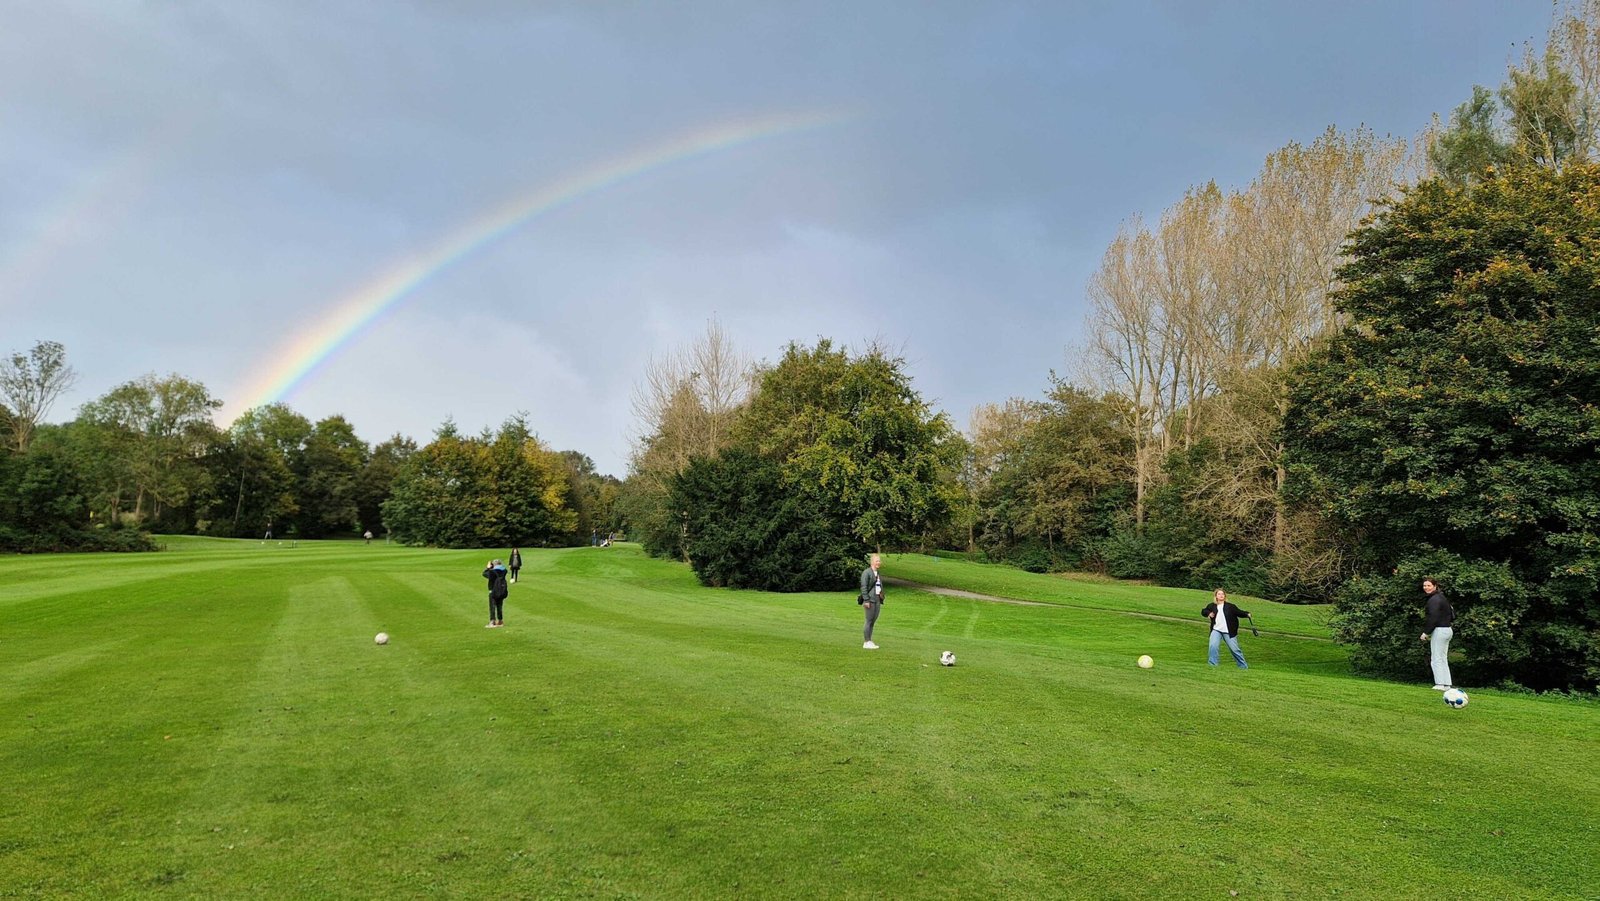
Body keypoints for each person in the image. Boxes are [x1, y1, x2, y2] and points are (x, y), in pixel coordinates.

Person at [1421, 578, 1455, 690]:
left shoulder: (1434, 600)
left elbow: (1433, 617)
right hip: (1447, 629)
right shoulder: (1442, 597)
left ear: (1435, 586)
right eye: (1425, 585)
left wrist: (1426, 632)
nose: (1426, 587)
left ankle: (1440, 684)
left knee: (1436, 658)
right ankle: (1446, 684)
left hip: (1440, 630)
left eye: (1429, 585)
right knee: (1442, 657)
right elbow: (1453, 615)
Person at [1202, 588, 1249, 668]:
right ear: (1216, 596)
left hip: (1229, 631)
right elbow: (1203, 611)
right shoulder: (1212, 606)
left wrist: (1247, 614)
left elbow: (1239, 612)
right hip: (1216, 630)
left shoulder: (1230, 606)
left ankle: (1243, 666)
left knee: (1235, 650)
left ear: (1225, 596)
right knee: (1213, 646)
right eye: (1219, 594)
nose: (1221, 595)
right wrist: (1209, 613)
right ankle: (1212, 665)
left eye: (1222, 594)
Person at [858, 553, 885, 649]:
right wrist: (866, 600)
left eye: (879, 561)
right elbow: (864, 587)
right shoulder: (867, 572)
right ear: (872, 562)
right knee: (868, 620)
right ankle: (866, 641)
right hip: (870, 600)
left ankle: (869, 640)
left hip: (877, 599)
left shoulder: (877, 573)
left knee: (873, 621)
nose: (879, 562)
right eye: (877, 561)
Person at [483, 559, 509, 628]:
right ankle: (500, 621)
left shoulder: (492, 572)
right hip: (501, 590)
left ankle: (492, 621)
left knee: (492, 606)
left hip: (493, 591)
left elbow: (484, 574)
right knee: (499, 606)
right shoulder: (504, 571)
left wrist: (488, 568)